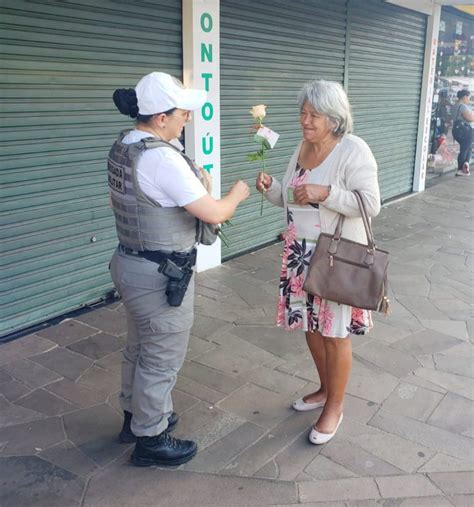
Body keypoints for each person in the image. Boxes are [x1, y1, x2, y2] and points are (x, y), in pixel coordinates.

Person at [108, 72, 249, 467]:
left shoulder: (125, 146)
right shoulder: (161, 158)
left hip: (130, 264)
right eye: (182, 113)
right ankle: (151, 439)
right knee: (161, 357)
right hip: (158, 275)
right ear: (160, 118)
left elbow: (117, 202)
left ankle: (133, 417)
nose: (187, 117)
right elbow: (214, 212)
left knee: (139, 347)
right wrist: (237, 192)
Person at [256, 80, 380, 445]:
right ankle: (326, 390)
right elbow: (292, 197)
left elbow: (370, 204)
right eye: (303, 113)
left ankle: (335, 407)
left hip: (335, 259)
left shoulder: (353, 150)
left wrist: (326, 193)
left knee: (334, 335)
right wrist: (272, 189)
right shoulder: (302, 147)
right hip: (300, 255)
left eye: (314, 115)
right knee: (311, 327)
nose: (305, 121)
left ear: (335, 118)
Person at [451, 89, 473, 176]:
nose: (469, 100)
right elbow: (470, 118)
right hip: (465, 131)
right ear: (464, 97)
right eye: (469, 98)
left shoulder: (454, 105)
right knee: (465, 149)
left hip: (456, 130)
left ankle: (465, 164)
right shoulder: (462, 106)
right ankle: (461, 168)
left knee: (467, 147)